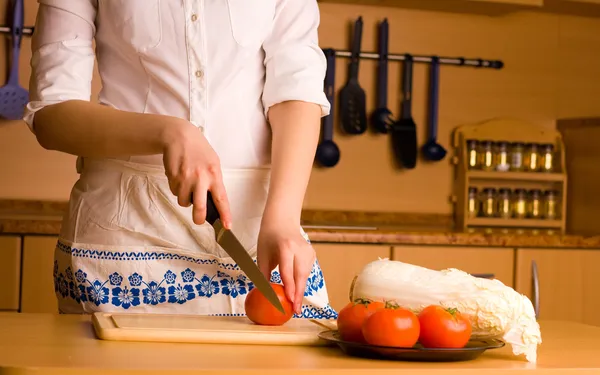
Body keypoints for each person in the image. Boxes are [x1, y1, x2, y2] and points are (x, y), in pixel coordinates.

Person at [24, 0, 337, 319]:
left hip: (263, 232)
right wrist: (170, 132)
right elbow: (51, 115)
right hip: (126, 238)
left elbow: (297, 91)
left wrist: (284, 218)